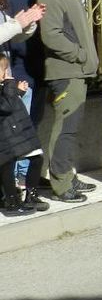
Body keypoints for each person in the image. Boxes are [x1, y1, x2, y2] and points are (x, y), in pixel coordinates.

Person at [38, 0, 100, 203]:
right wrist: (80, 55)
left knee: (70, 129)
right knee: (65, 129)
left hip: (75, 71)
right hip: (66, 72)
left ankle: (67, 175)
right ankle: (61, 184)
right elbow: (51, 35)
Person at [0, 0, 44, 188]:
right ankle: (12, 183)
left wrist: (29, 23)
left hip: (14, 74)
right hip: (12, 73)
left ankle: (20, 180)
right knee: (11, 133)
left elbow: (13, 34)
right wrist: (18, 24)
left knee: (22, 130)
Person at [0, 53, 48, 216]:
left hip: (18, 134)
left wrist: (18, 92)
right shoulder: (6, 85)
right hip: (6, 138)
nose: (6, 73)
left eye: (6, 69)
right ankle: (11, 202)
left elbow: (9, 104)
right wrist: (10, 84)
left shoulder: (4, 87)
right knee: (7, 166)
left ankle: (31, 195)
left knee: (37, 158)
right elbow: (5, 106)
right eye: (3, 70)